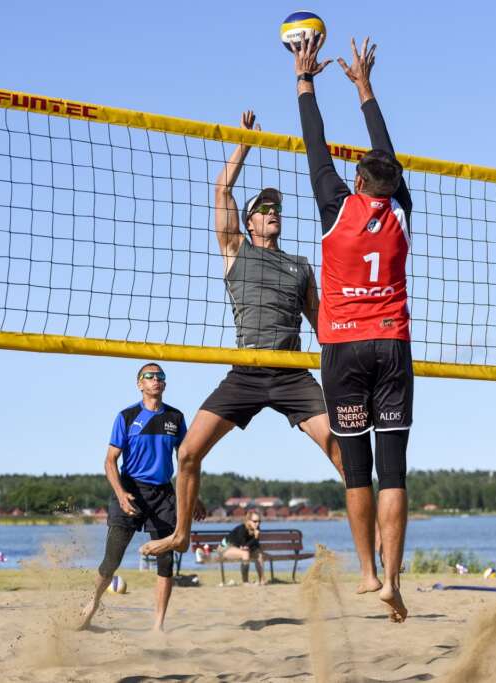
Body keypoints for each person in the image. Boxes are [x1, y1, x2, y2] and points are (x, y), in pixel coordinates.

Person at [140, 111, 345, 558]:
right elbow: (222, 190)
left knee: (344, 453)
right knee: (189, 453)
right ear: (250, 222)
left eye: (277, 210)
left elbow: (323, 325)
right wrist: (244, 143)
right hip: (247, 371)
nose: (273, 213)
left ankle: (372, 550)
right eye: (264, 209)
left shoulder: (301, 266)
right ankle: (180, 535)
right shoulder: (236, 249)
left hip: (291, 373)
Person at [292, 35, 414, 623]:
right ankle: (393, 577)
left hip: (343, 346)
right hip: (392, 344)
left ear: (358, 182)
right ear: (392, 185)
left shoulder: (334, 204)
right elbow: (387, 152)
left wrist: (305, 81)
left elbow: (315, 146)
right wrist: (365, 88)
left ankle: (367, 573)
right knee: (393, 469)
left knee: (357, 468)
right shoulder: (400, 210)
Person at [78, 362, 201, 632]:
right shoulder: (126, 416)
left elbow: (187, 462)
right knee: (111, 561)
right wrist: (121, 494)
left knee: (166, 563)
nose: (156, 380)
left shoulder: (176, 418)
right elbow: (110, 461)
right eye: (150, 376)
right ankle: (92, 605)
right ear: (139, 384)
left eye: (160, 376)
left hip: (164, 494)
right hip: (131, 490)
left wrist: (194, 498)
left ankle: (158, 626)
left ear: (165, 384)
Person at [216, 511, 267, 585]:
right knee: (245, 554)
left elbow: (255, 546)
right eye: (255, 521)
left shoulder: (256, 529)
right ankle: (245, 582)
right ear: (248, 521)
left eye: (259, 521)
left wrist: (256, 544)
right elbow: (244, 547)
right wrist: (256, 538)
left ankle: (262, 580)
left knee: (259, 554)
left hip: (237, 549)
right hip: (224, 548)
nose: (257, 523)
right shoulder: (242, 529)